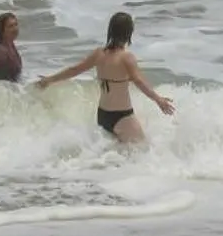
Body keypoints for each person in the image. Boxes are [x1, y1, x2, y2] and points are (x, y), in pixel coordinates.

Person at [35, 10, 175, 144]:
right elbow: (138, 81)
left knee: (114, 157)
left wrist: (49, 80)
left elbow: (75, 70)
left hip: (103, 116)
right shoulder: (126, 58)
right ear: (128, 33)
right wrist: (158, 100)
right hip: (122, 116)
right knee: (142, 152)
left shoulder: (98, 54)